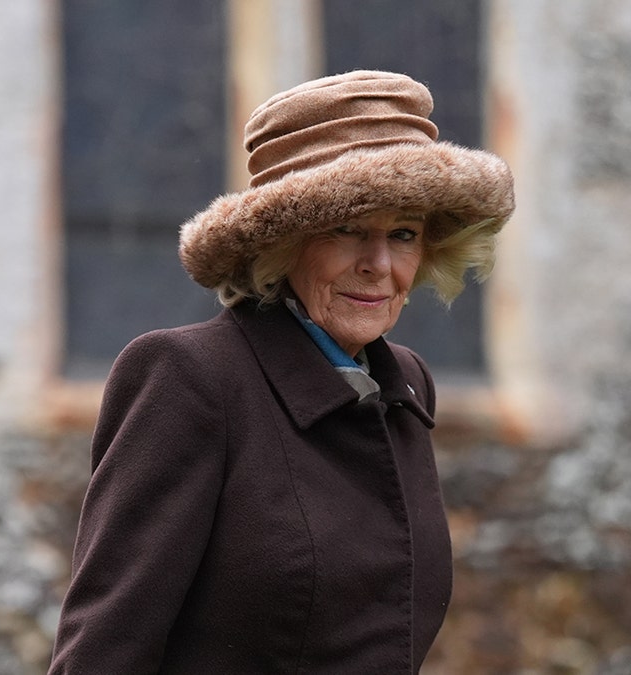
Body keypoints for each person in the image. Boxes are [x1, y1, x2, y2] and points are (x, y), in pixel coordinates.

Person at [49, 70, 514, 673]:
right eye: (347, 228)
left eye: (403, 234)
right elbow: (104, 650)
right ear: (282, 243)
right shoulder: (189, 376)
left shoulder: (404, 382)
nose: (379, 265)